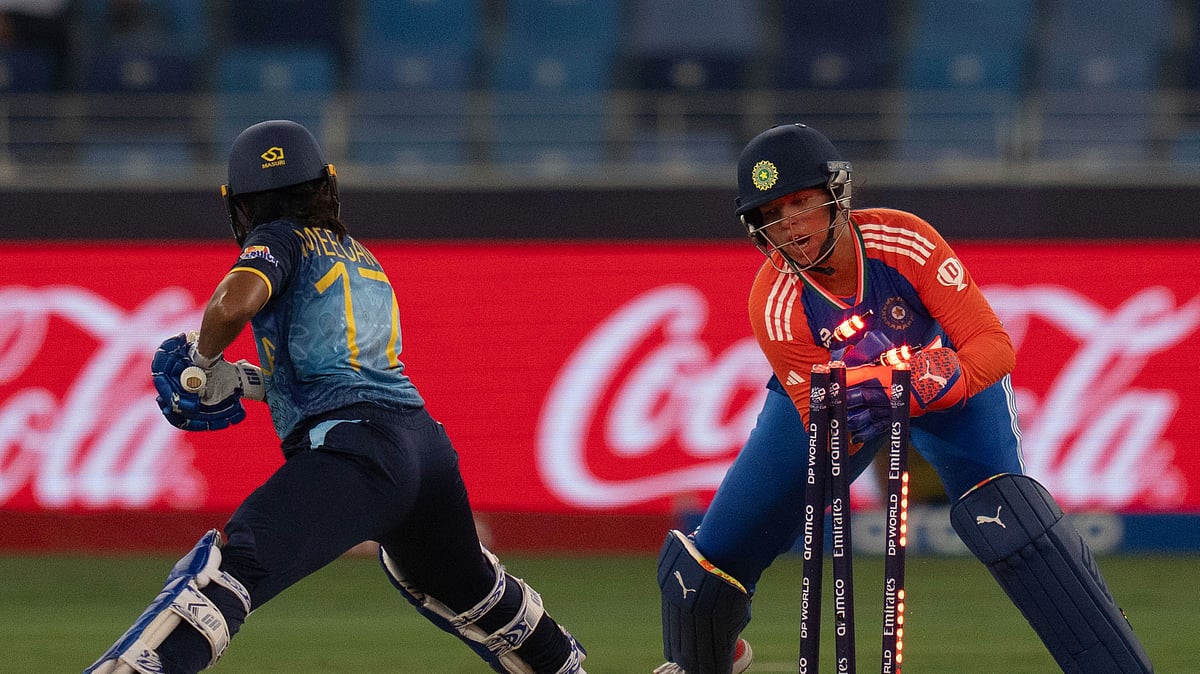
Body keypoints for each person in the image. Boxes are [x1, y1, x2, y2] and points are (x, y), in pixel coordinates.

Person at [85, 120, 587, 674]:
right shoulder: (359, 254)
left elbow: (233, 304)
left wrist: (202, 363)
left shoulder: (278, 238)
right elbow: (344, 376)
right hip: (424, 446)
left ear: (240, 204)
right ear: (326, 184)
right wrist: (243, 381)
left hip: (358, 451)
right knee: (477, 597)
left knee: (226, 574)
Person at [655, 123, 1153, 674]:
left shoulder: (902, 239)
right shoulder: (773, 300)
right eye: (773, 213)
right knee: (703, 570)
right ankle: (705, 661)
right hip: (841, 402)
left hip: (946, 380)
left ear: (836, 195)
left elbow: (993, 345)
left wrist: (947, 380)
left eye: (802, 202)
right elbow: (823, 428)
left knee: (1016, 521)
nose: (790, 223)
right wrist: (867, 392)